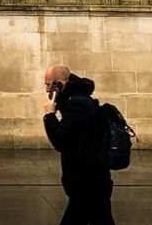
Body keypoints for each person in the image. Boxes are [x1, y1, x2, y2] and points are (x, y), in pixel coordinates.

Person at [42, 63, 114, 225]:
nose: (47, 90)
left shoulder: (77, 104)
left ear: (58, 85)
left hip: (87, 182)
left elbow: (61, 141)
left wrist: (49, 116)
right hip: (92, 180)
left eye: (48, 84)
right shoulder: (76, 101)